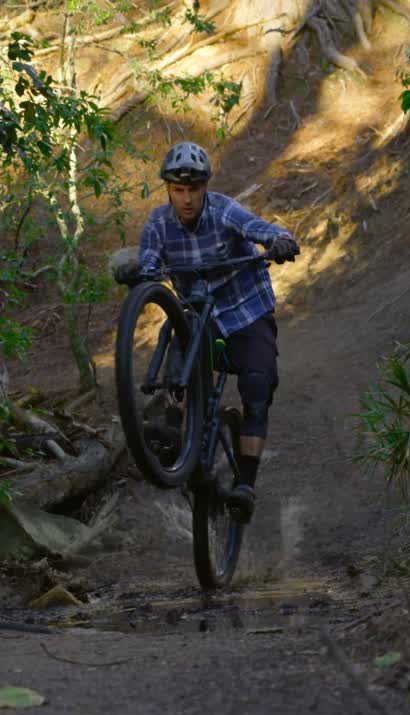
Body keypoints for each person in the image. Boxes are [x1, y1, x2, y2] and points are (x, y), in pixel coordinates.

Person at [117, 141, 298, 521]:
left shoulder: (223, 209)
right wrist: (137, 272)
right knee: (181, 349)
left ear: (205, 187)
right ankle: (173, 431)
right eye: (178, 190)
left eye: (193, 190)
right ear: (168, 189)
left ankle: (246, 484)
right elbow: (150, 262)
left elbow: (259, 228)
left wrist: (279, 240)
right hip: (204, 322)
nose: (186, 199)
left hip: (247, 312)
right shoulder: (158, 223)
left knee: (257, 388)